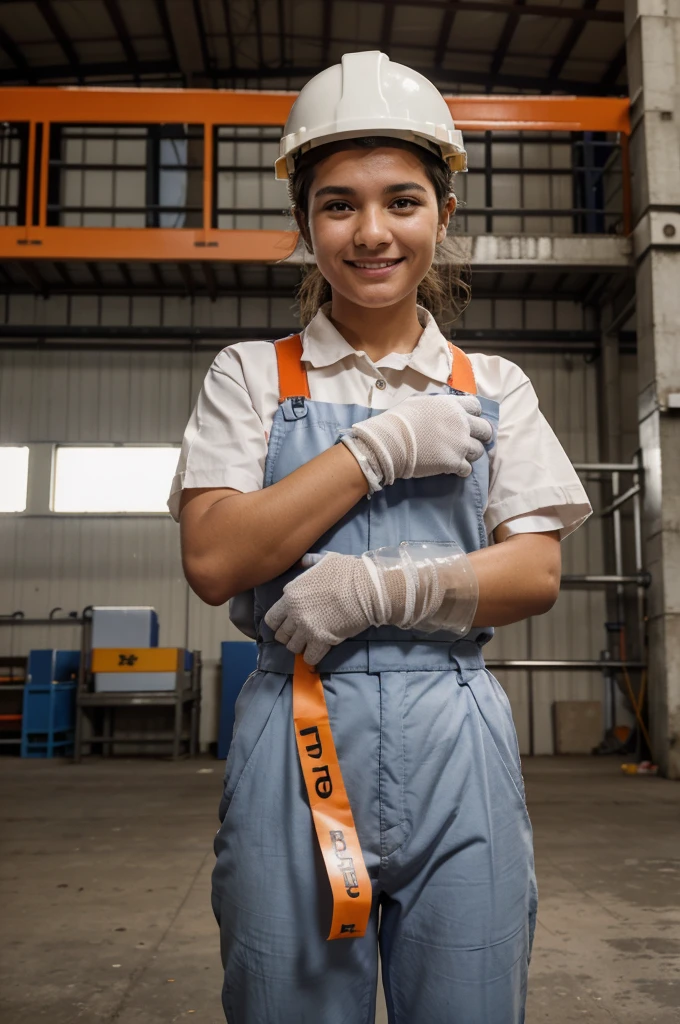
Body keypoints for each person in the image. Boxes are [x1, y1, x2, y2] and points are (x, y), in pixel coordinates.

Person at [169, 51, 591, 1024]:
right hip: (296, 729)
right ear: (304, 219)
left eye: (400, 201)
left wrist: (374, 589)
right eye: (336, 204)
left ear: (441, 212)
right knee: (287, 999)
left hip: (457, 734)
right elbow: (217, 558)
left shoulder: (494, 384)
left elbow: (532, 571)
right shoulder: (251, 376)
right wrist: (379, 446)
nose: (370, 232)